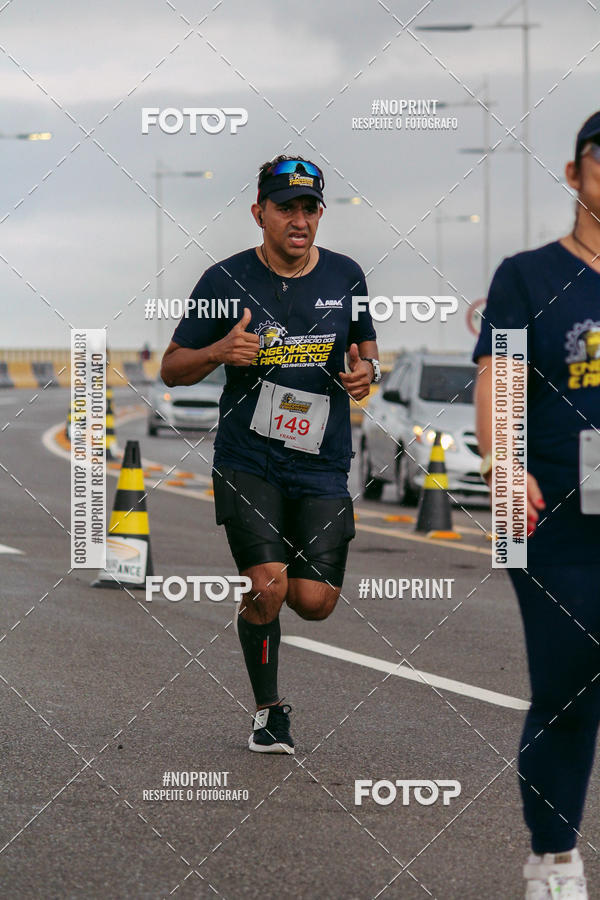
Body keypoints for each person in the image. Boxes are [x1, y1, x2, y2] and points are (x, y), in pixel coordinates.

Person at [161, 155, 380, 754]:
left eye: (310, 208)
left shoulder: (347, 277)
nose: (300, 219)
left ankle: (278, 585)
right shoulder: (223, 282)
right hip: (248, 459)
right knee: (269, 585)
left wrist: (367, 373)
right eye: (287, 207)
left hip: (320, 461)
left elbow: (366, 353)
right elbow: (172, 368)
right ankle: (268, 710)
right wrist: (219, 352)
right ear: (259, 213)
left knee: (314, 603)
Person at [473, 112, 600, 899]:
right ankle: (553, 856)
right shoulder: (528, 275)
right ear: (575, 172)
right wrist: (504, 464)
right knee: (570, 675)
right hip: (552, 514)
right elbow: (501, 375)